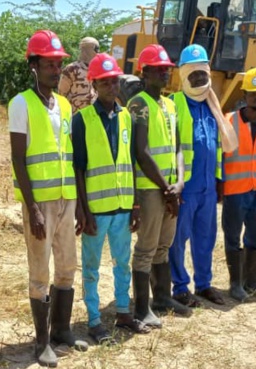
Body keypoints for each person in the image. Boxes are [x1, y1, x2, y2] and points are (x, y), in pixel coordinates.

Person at [10, 30, 88, 368]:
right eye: (49, 64)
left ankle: (62, 331)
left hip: (66, 199)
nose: (56, 71)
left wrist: (79, 205)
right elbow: (18, 159)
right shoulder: (20, 103)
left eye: (59, 64)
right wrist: (32, 209)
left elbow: (70, 156)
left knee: (67, 267)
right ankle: (41, 342)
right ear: (34, 65)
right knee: (40, 273)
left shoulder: (67, 105)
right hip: (39, 204)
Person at [73, 52, 150, 344]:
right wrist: (83, 210)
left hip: (122, 207)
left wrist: (136, 204)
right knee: (91, 268)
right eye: (104, 82)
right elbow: (78, 168)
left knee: (123, 262)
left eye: (115, 81)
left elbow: (130, 163)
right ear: (93, 84)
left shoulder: (126, 118)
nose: (111, 86)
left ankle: (123, 312)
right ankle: (93, 320)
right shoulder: (81, 121)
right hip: (96, 210)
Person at [168, 44, 237, 307]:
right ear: (184, 75)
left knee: (206, 238)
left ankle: (204, 284)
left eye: (203, 74)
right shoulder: (174, 104)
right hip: (185, 186)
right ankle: (180, 287)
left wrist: (219, 180)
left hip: (208, 186)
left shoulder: (212, 104)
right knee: (178, 239)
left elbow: (217, 146)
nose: (199, 79)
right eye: (194, 74)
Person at [127, 44, 189, 323]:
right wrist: (167, 188)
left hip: (170, 189)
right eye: (159, 69)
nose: (165, 73)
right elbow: (141, 151)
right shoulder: (139, 104)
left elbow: (177, 147)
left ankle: (162, 297)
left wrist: (180, 182)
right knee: (146, 249)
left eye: (167, 69)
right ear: (145, 72)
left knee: (164, 245)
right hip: (152, 189)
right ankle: (142, 309)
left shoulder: (171, 104)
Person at [221, 68, 256, 301]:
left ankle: (251, 281)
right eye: (253, 93)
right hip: (235, 190)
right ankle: (235, 285)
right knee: (233, 237)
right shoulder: (229, 120)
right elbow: (221, 156)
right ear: (244, 94)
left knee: (255, 237)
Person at [58, 36, 99, 113]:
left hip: (92, 115)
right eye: (96, 49)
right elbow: (61, 94)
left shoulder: (96, 70)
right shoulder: (71, 69)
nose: (97, 52)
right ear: (88, 49)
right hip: (74, 116)